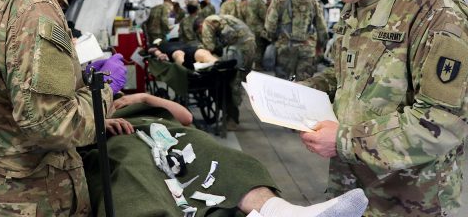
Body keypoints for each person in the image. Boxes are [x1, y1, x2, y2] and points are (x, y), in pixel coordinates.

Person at [300, 0, 468, 216]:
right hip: (355, 191)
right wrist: (301, 92)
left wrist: (344, 141)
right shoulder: (356, 7)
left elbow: (442, 124)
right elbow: (347, 77)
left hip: (412, 202)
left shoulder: (436, 14)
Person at [0, 0, 127, 216]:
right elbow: (51, 125)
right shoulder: (35, 7)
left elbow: (9, 83)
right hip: (38, 196)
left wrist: (75, 74)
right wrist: (103, 91)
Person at [81, 92, 369, 217]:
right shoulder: (90, 108)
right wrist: (102, 120)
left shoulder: (135, 100)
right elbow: (70, 128)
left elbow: (185, 118)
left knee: (222, 155)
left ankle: (279, 211)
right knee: (133, 170)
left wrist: (143, 98)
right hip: (119, 139)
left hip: (165, 132)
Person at [265, 0, 328, 80]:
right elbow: (321, 27)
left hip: (285, 48)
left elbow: (270, 25)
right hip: (306, 49)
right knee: (304, 84)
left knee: (282, 83)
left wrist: (274, 40)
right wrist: (321, 45)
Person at [199, 15, 255, 130]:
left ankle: (232, 118)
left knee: (232, 81)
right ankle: (230, 115)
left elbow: (209, 45)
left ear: (199, 27)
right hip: (250, 46)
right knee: (239, 79)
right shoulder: (221, 18)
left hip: (239, 49)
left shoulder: (206, 23)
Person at [245, 0, 268, 70]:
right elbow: (264, 16)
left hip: (249, 29)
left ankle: (248, 64)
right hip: (258, 29)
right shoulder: (260, 3)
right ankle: (258, 65)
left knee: (250, 47)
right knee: (259, 47)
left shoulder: (249, 3)